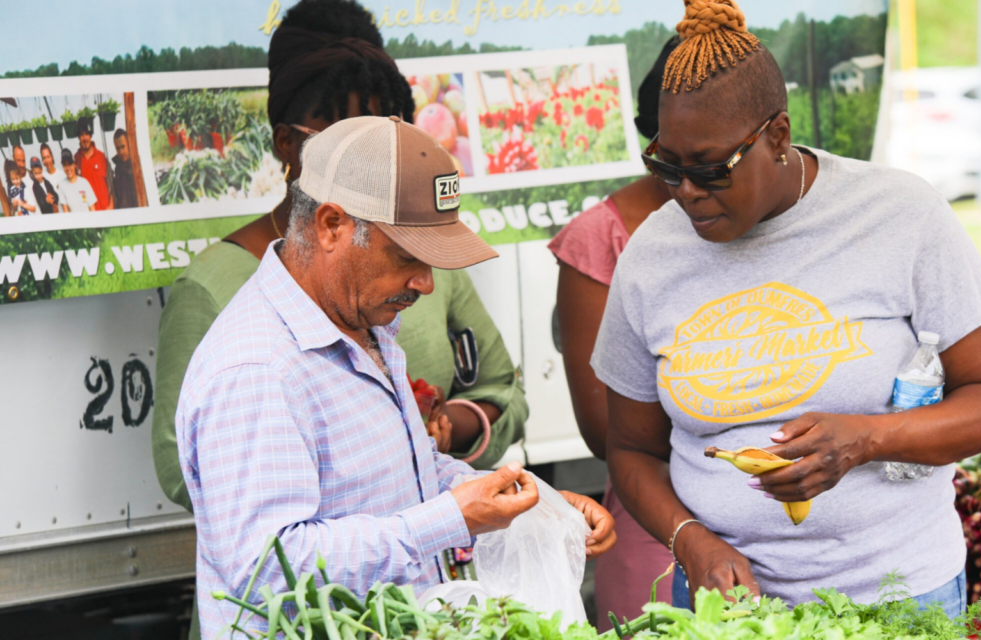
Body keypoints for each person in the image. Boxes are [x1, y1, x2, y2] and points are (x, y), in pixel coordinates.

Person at [591, 0, 981, 615]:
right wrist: (690, 541)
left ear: (777, 136)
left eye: (712, 169)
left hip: (899, 599)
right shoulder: (651, 255)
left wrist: (868, 439)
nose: (686, 192)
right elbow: (631, 450)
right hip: (728, 610)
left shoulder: (898, 215)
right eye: (668, 166)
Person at [176, 115, 616, 638]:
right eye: (407, 256)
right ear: (331, 225)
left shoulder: (362, 323)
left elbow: (400, 474)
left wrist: (523, 500)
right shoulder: (257, 369)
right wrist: (450, 519)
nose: (426, 283)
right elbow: (269, 571)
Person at [154, 0, 528, 521]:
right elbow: (190, 476)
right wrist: (397, 493)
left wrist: (444, 433)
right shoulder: (221, 299)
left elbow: (504, 392)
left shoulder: (418, 263)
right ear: (287, 143)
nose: (419, 282)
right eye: (343, 140)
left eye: (380, 137)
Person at [549, 36, 678, 630]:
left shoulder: (774, 223)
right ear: (647, 135)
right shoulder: (601, 240)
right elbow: (604, 428)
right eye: (674, 157)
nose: (698, 185)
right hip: (657, 528)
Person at [74, 121, 111, 210]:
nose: (85, 138)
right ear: (78, 137)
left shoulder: (101, 157)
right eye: (82, 134)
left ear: (90, 136)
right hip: (89, 214)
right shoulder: (76, 160)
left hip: (106, 211)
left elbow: (112, 186)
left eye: (87, 134)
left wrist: (111, 207)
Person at [111, 129, 139, 209]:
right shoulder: (117, 169)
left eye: (123, 147)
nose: (121, 152)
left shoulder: (138, 165)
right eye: (118, 148)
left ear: (129, 143)